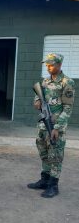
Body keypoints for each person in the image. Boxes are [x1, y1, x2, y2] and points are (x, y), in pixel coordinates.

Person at [27, 53, 75, 198]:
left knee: (56, 154)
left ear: (59, 65)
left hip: (56, 127)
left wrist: (57, 127)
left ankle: (53, 185)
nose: (48, 67)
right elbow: (37, 98)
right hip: (43, 124)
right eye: (47, 65)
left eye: (51, 64)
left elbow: (68, 108)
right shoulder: (44, 82)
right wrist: (37, 101)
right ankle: (44, 180)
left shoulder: (67, 82)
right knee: (44, 152)